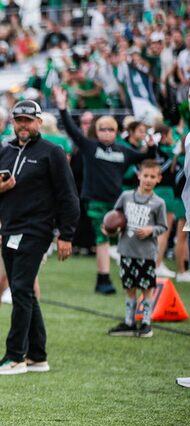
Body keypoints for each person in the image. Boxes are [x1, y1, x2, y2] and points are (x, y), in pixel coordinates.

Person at [0, 101, 80, 375]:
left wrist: (66, 234)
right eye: (19, 120)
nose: (23, 125)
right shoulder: (6, 151)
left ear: (39, 122)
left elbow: (68, 197)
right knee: (24, 292)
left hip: (37, 231)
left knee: (22, 290)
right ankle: (37, 355)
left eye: (28, 120)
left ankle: (15, 356)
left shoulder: (53, 152)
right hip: (10, 230)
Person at [53, 85, 153, 295]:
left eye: (110, 129)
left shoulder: (122, 150)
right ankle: (103, 278)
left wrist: (151, 146)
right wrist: (62, 108)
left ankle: (132, 275)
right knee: (102, 238)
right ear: (96, 131)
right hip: (96, 201)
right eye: (102, 129)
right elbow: (72, 130)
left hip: (117, 203)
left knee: (126, 240)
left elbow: (143, 156)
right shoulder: (91, 147)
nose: (106, 133)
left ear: (116, 132)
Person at [106, 159, 168, 339]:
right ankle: (129, 321)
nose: (148, 180)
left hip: (146, 253)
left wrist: (151, 230)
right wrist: (109, 228)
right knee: (129, 287)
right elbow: (114, 217)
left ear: (159, 179)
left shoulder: (159, 203)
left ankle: (146, 323)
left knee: (146, 287)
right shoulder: (126, 196)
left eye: (152, 177)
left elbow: (163, 227)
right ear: (139, 175)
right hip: (126, 250)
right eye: (145, 175)